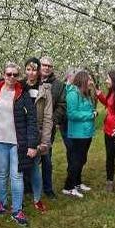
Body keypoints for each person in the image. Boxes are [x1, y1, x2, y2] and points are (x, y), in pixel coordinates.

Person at [0, 62, 38, 226]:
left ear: (18, 77)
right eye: (8, 74)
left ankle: (17, 210)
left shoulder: (22, 94)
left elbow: (32, 119)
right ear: (3, 75)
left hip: (17, 142)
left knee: (17, 175)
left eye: (15, 75)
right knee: (2, 174)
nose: (11, 77)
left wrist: (32, 144)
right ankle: (2, 204)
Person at [22, 57, 54, 213]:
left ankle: (37, 198)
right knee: (18, 167)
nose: (31, 72)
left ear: (39, 71)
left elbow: (48, 117)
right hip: (20, 131)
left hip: (36, 133)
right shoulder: (19, 87)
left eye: (34, 69)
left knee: (35, 167)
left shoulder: (45, 90)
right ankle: (18, 198)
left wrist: (45, 141)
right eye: (28, 69)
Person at [62, 70, 97, 198]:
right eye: (88, 79)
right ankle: (68, 187)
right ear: (82, 80)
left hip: (86, 133)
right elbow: (71, 114)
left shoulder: (85, 93)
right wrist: (90, 115)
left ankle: (77, 183)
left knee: (81, 160)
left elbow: (89, 107)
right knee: (76, 161)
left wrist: (92, 111)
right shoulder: (73, 94)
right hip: (77, 134)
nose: (91, 82)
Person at [38, 56, 66, 199]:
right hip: (33, 126)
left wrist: (53, 120)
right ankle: (29, 187)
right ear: (39, 66)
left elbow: (62, 105)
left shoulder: (59, 85)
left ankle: (48, 189)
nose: (46, 68)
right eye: (44, 65)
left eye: (49, 66)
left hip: (49, 128)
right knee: (30, 157)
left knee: (47, 158)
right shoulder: (32, 82)